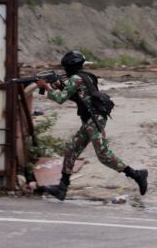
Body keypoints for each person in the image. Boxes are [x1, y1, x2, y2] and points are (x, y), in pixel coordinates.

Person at [37, 51, 148, 201]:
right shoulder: (85, 76)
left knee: (103, 155)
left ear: (70, 66)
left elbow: (60, 98)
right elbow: (77, 95)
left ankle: (137, 175)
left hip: (94, 120)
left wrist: (47, 87)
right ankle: (62, 188)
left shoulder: (76, 78)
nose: (64, 70)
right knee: (71, 149)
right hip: (92, 119)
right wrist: (57, 84)